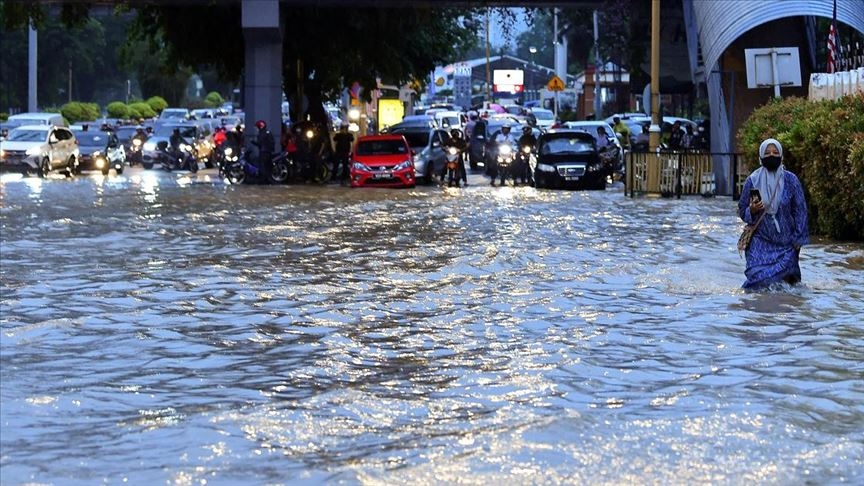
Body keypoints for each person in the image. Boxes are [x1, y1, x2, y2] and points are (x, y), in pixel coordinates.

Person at [737, 138, 809, 290]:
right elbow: (742, 211)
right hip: (760, 242)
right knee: (757, 282)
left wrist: (797, 240)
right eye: (767, 153)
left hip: (785, 246)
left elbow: (800, 211)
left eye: (775, 153)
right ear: (761, 157)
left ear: (781, 156)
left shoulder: (791, 180)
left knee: (787, 286)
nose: (771, 156)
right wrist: (752, 210)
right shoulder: (752, 181)